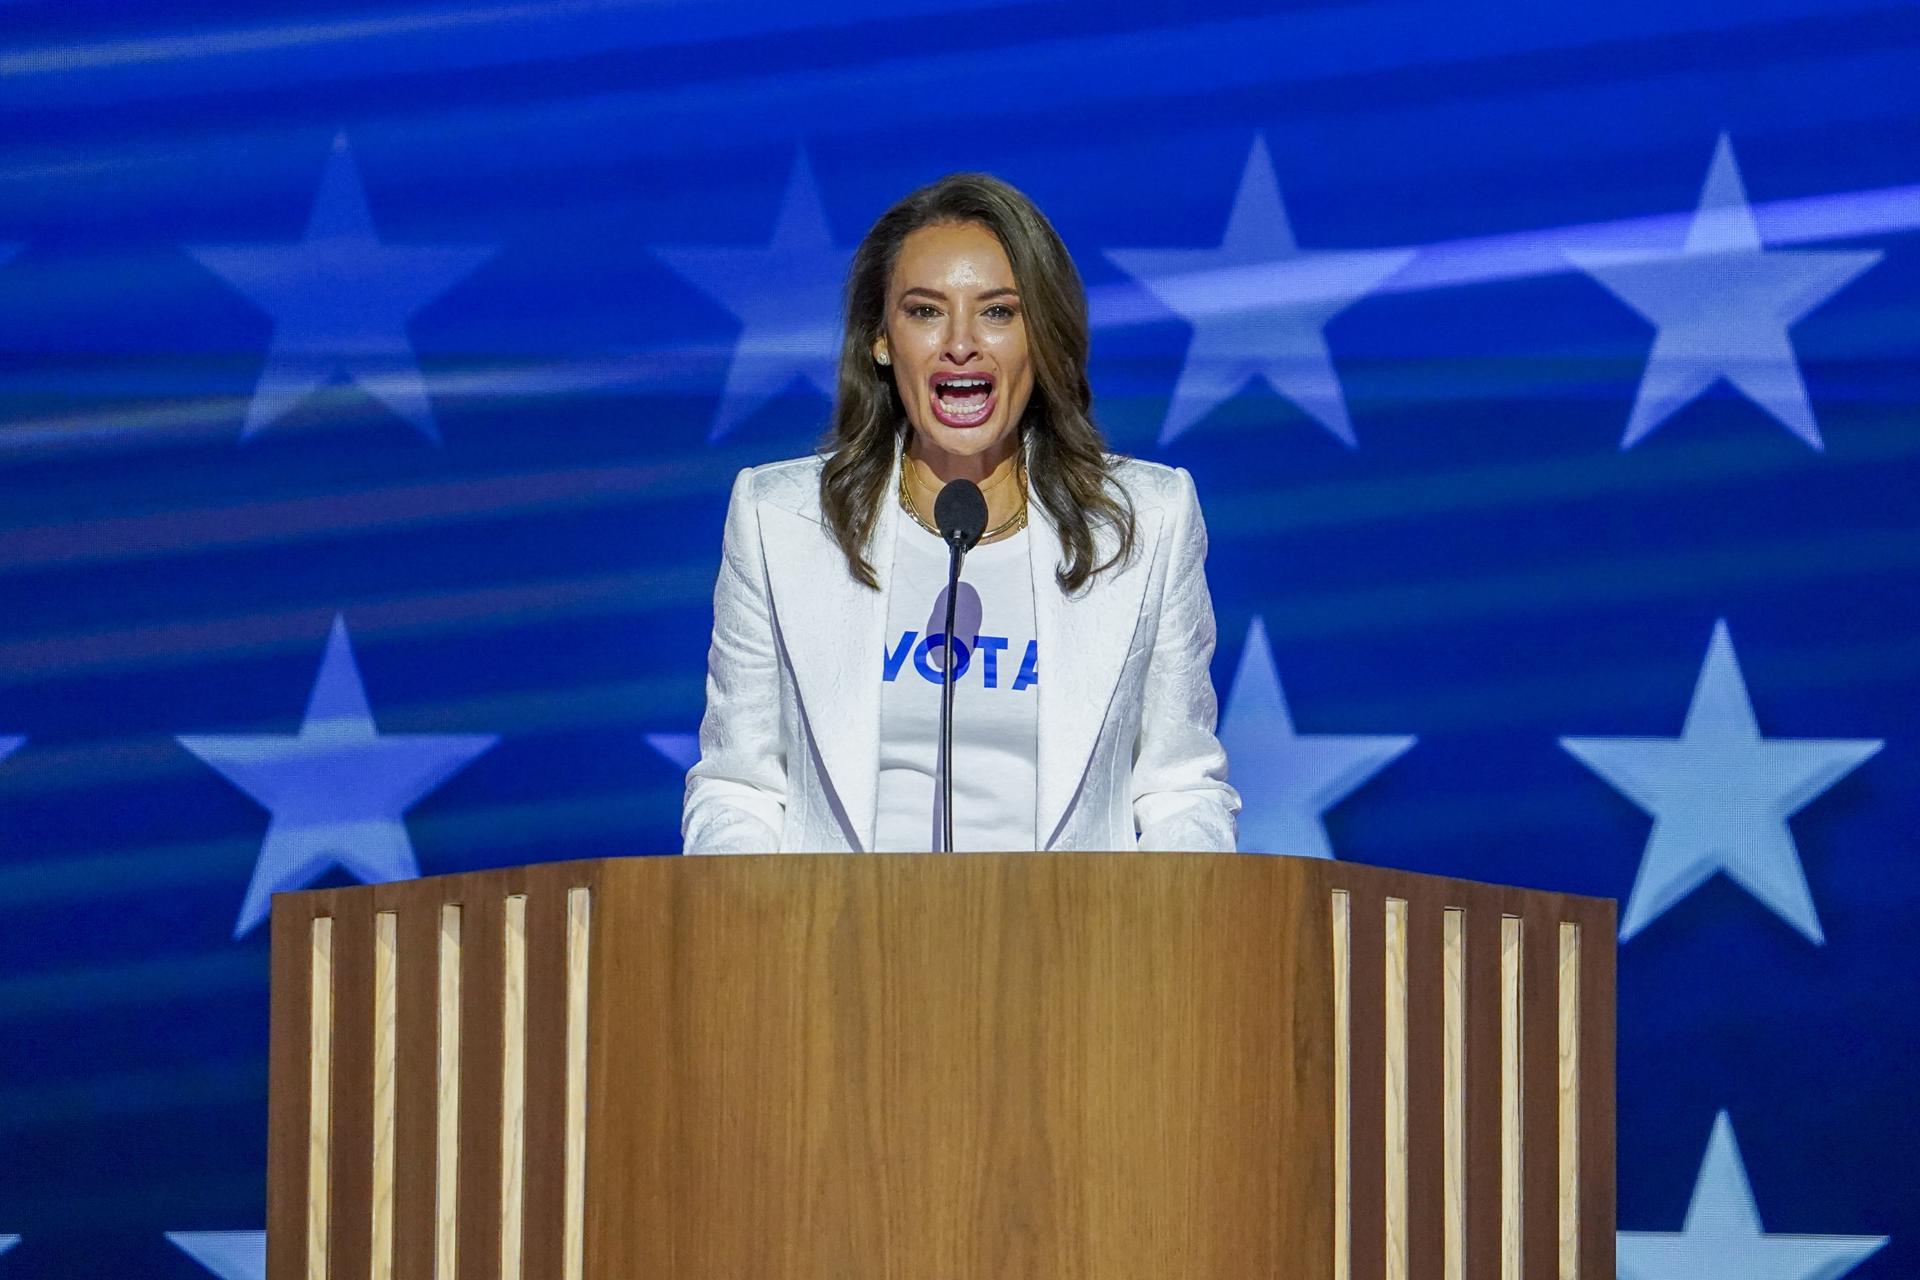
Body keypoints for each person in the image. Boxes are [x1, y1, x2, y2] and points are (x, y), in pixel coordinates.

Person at [682, 172, 1238, 854]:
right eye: (925, 311)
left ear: (1044, 337)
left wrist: (1159, 940)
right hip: (836, 948)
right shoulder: (780, 520)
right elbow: (739, 787)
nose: (961, 343)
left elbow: (1180, 788)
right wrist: (767, 938)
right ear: (880, 340)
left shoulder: (1148, 521)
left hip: (1075, 948)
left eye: (999, 312)